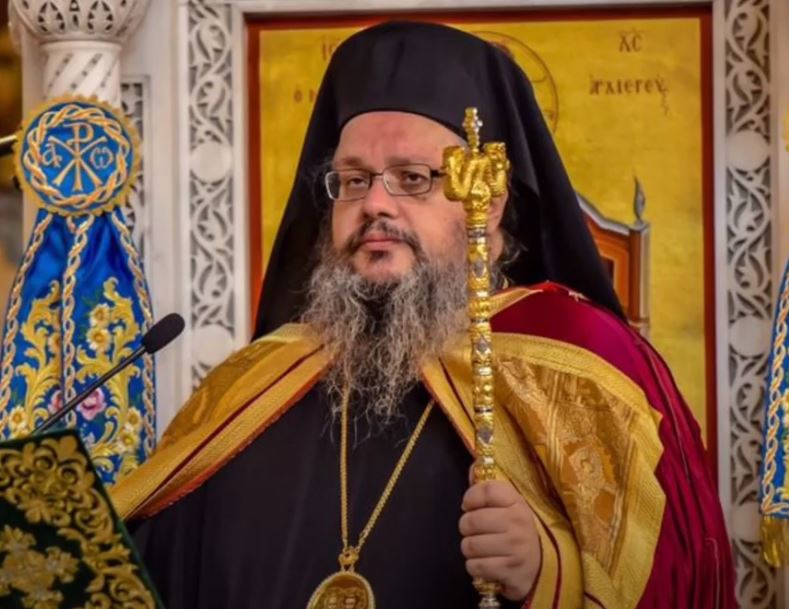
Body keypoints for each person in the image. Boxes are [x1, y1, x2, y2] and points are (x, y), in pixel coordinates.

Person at [113, 21, 736, 609]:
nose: (375, 205)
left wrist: (550, 572)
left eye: (411, 178)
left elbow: (680, 578)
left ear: (488, 203)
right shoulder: (254, 383)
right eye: (353, 181)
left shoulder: (581, 360)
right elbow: (147, 568)